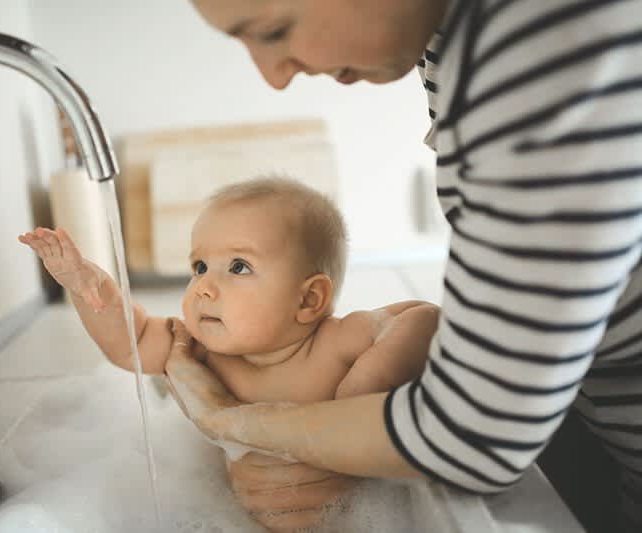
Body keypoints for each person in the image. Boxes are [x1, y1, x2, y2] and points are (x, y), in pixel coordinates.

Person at [163, 1, 642, 533]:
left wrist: (232, 422)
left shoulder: (542, 49)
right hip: (591, 414)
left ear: (311, 298)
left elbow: (472, 433)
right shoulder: (453, 41)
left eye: (276, 30)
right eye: (199, 265)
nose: (273, 76)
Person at [18, 177, 440, 530]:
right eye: (199, 266)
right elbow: (130, 343)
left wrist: (367, 384)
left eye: (238, 267)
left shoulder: (336, 344)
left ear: (309, 299)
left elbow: (424, 319)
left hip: (354, 519)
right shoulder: (198, 355)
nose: (203, 286)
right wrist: (89, 288)